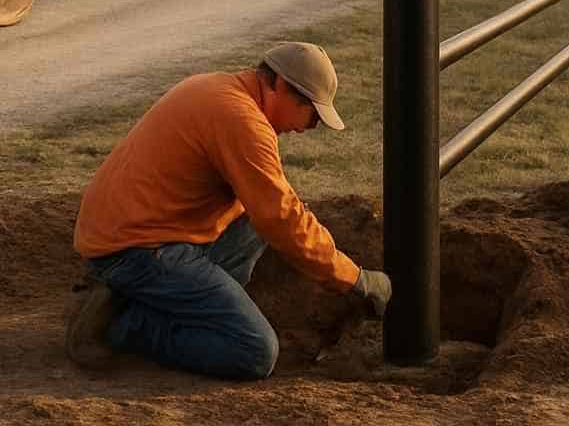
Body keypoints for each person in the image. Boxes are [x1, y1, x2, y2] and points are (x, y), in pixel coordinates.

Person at [66, 41, 392, 379]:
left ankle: (147, 299)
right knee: (254, 350)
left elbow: (272, 206)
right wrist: (355, 280)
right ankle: (123, 325)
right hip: (135, 249)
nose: (311, 126)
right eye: (312, 112)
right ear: (279, 85)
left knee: (255, 218)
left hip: (134, 229)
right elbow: (281, 219)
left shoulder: (221, 90)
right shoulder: (241, 121)